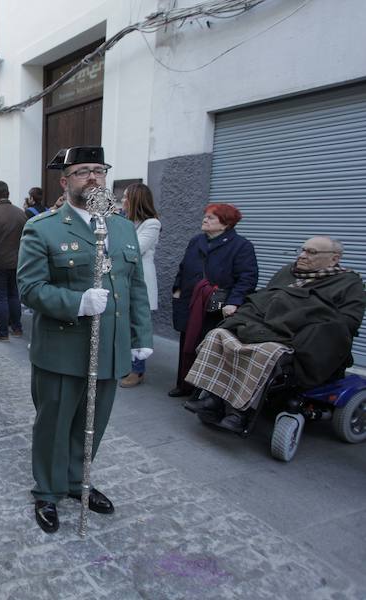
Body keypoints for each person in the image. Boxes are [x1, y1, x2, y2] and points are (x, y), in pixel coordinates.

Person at [18, 146, 152, 534]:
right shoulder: (43, 228)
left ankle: (78, 481)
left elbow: (136, 287)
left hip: (108, 348)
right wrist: (77, 302)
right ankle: (47, 489)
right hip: (62, 348)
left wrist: (140, 334)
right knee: (54, 423)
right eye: (82, 172)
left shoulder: (124, 228)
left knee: (94, 422)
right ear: (65, 181)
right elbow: (29, 288)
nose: (92, 177)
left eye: (99, 170)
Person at [184, 237, 366, 432]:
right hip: (263, 327)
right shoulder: (287, 272)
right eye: (302, 249)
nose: (302, 255)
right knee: (218, 335)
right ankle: (214, 398)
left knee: (265, 352)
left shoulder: (349, 283)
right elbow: (262, 300)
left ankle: (239, 412)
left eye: (311, 252)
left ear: (333, 259)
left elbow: (348, 322)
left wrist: (304, 320)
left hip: (298, 339)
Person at [169, 203, 258, 397]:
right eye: (205, 216)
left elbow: (247, 278)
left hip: (216, 305)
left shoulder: (241, 246)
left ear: (225, 224)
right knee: (187, 343)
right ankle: (184, 384)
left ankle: (202, 391)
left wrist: (234, 302)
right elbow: (184, 268)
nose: (205, 220)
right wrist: (177, 290)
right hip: (190, 302)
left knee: (208, 346)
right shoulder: (196, 241)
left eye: (211, 217)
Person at [119, 183, 161, 388]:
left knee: (138, 325)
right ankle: (125, 364)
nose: (122, 201)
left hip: (141, 281)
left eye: (126, 197)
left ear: (136, 200)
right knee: (124, 325)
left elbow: (136, 248)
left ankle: (138, 370)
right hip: (125, 280)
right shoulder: (126, 221)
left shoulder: (152, 223)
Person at [0, 181, 27, 341]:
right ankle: (17, 328)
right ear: (8, 193)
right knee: (14, 295)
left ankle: (2, 332)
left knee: (0, 298)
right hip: (17, 262)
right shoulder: (20, 213)